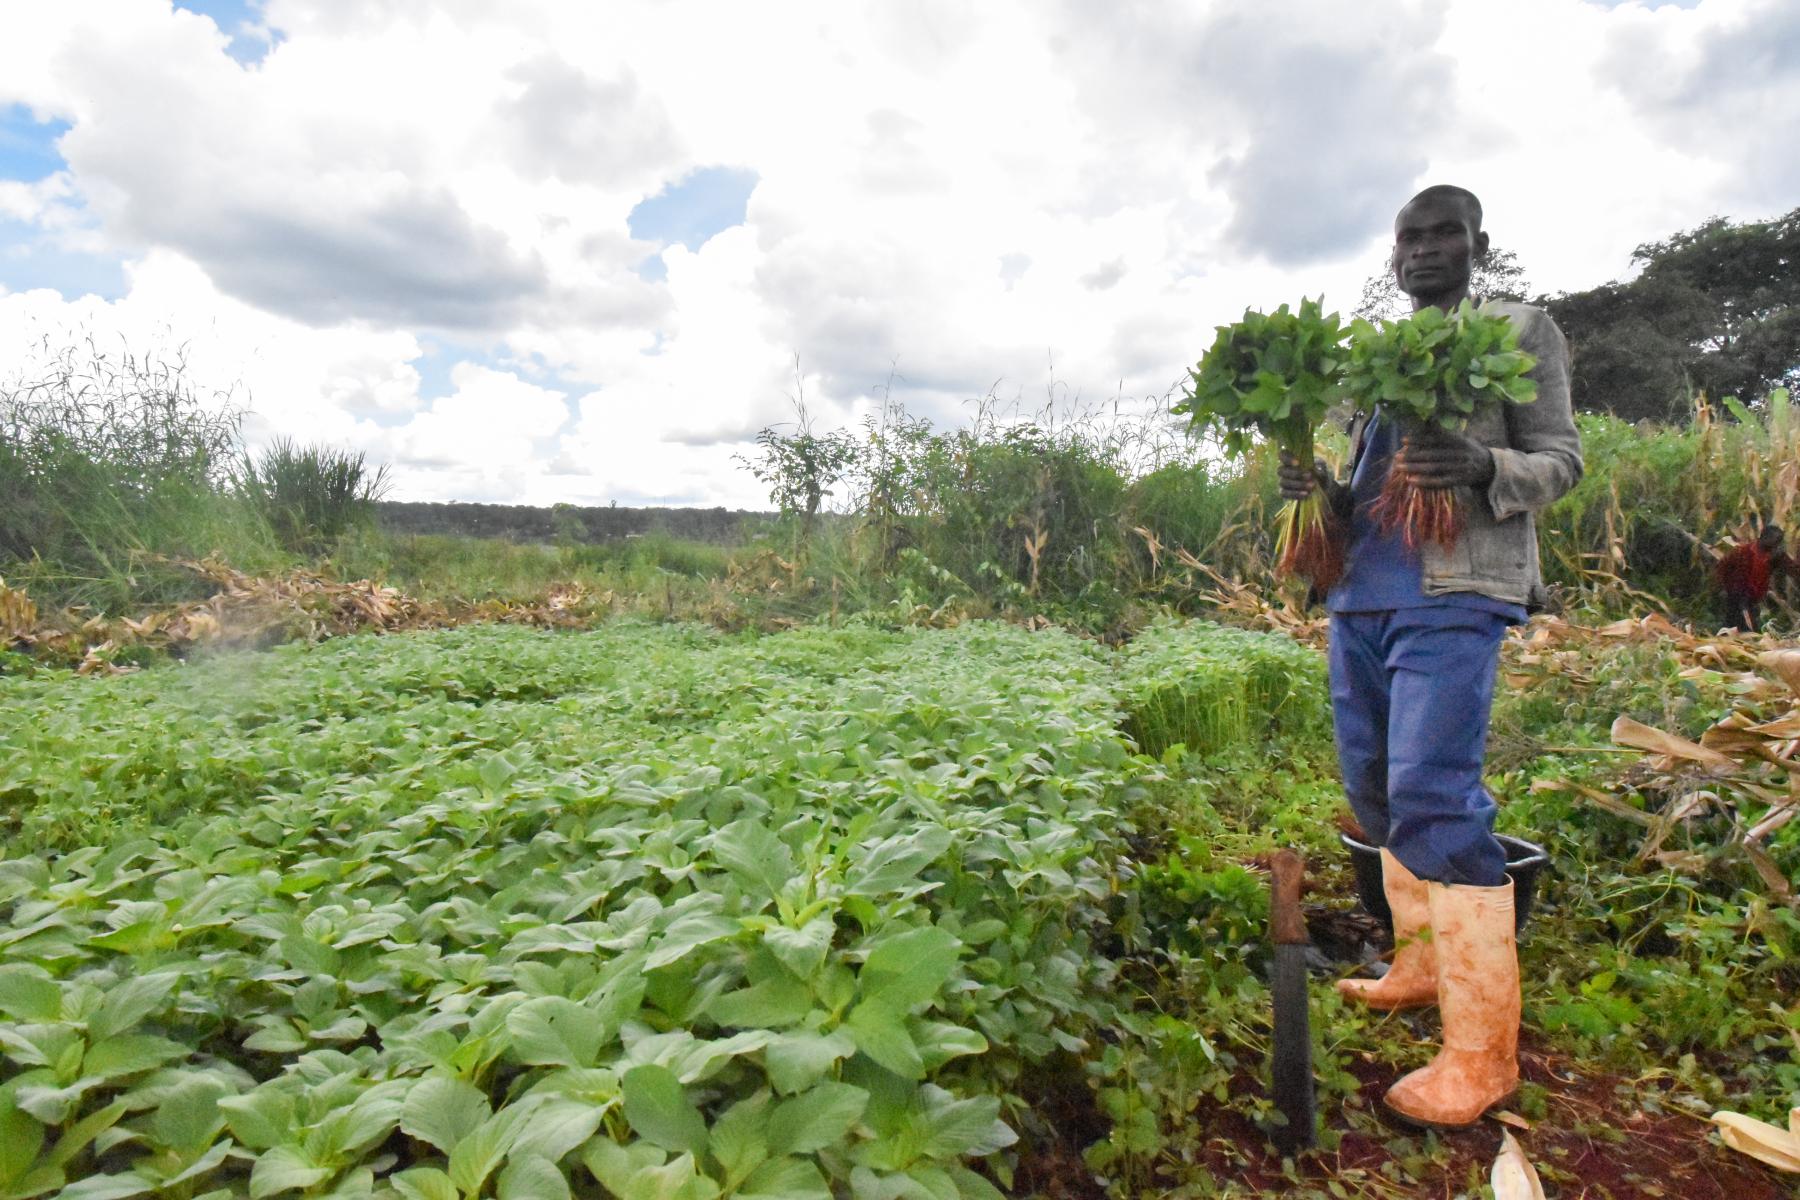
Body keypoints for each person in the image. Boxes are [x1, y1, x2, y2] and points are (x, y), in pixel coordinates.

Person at [1279, 184, 1583, 1129]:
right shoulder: (1378, 357)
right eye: (1408, 237)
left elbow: (1562, 458)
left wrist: (1485, 465)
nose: (1423, 249)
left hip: (1455, 590)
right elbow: (1372, 483)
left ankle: (1483, 1055)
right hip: (1362, 592)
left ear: (1477, 244)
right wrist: (1317, 488)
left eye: (1444, 233)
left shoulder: (1520, 330)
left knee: (1432, 792)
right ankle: (1417, 964)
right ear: (1393, 253)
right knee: (1372, 787)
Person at [1715, 523, 1790, 632]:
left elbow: (1793, 569)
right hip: (1737, 595)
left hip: (1753, 598)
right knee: (1738, 624)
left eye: (1779, 541)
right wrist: (1724, 587)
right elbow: (1722, 566)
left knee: (1746, 625)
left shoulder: (1776, 556)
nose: (1777, 544)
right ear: (1765, 537)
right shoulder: (1743, 551)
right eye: (1776, 540)